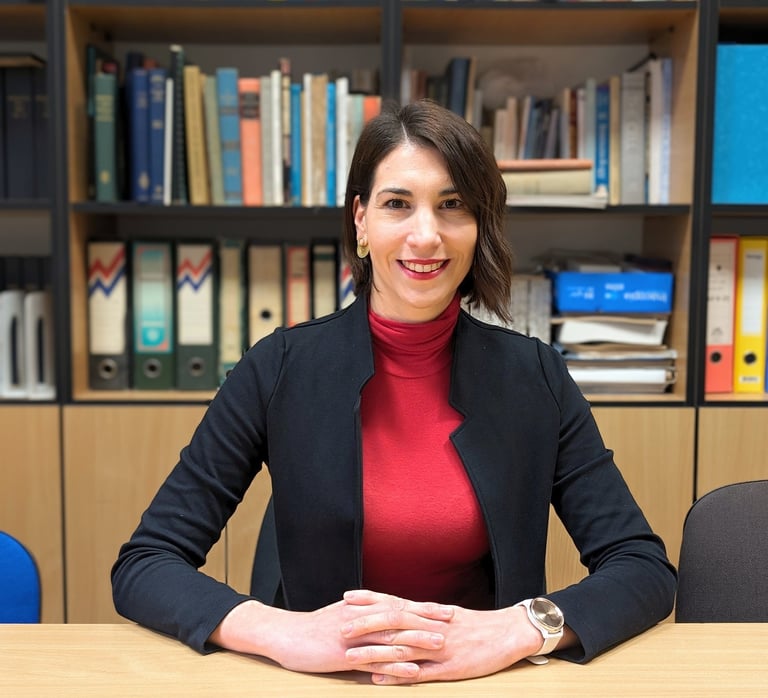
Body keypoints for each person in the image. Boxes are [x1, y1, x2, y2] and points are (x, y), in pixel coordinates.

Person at [112, 98, 676, 685]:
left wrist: (522, 628)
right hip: (316, 684)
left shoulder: (534, 376)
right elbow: (147, 562)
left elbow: (641, 567)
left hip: (484, 684)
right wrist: (280, 631)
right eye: (397, 204)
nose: (426, 235)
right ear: (361, 220)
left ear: (479, 224)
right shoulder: (280, 367)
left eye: (452, 205)